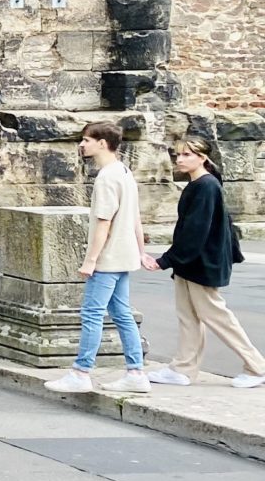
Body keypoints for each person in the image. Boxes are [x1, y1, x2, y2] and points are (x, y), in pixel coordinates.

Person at [144, 137, 265, 388]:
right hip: (190, 262)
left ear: (202, 158)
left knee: (217, 315)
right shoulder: (198, 184)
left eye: (187, 155)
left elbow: (196, 231)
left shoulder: (206, 186)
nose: (180, 159)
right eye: (178, 155)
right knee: (188, 316)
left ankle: (257, 367)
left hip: (202, 262)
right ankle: (183, 369)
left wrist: (165, 261)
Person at [46, 122, 151, 395]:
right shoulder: (125, 172)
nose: (82, 145)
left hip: (109, 258)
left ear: (102, 143)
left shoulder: (106, 177)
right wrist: (139, 252)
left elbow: (103, 222)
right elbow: (136, 219)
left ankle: (81, 372)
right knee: (121, 313)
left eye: (86, 140)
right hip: (124, 255)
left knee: (92, 313)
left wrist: (91, 260)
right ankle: (136, 372)